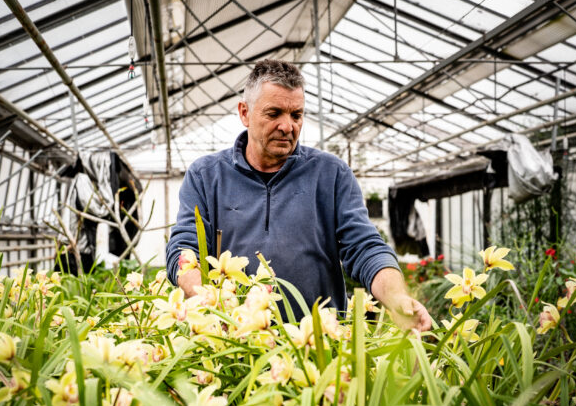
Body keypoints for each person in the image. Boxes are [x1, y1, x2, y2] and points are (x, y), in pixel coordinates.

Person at [165, 59, 431, 331]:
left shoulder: (331, 175)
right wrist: (212, 303)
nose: (287, 126)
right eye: (274, 113)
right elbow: (184, 251)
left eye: (296, 115)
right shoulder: (206, 176)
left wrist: (397, 297)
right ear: (245, 113)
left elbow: (365, 247)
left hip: (319, 349)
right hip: (233, 346)